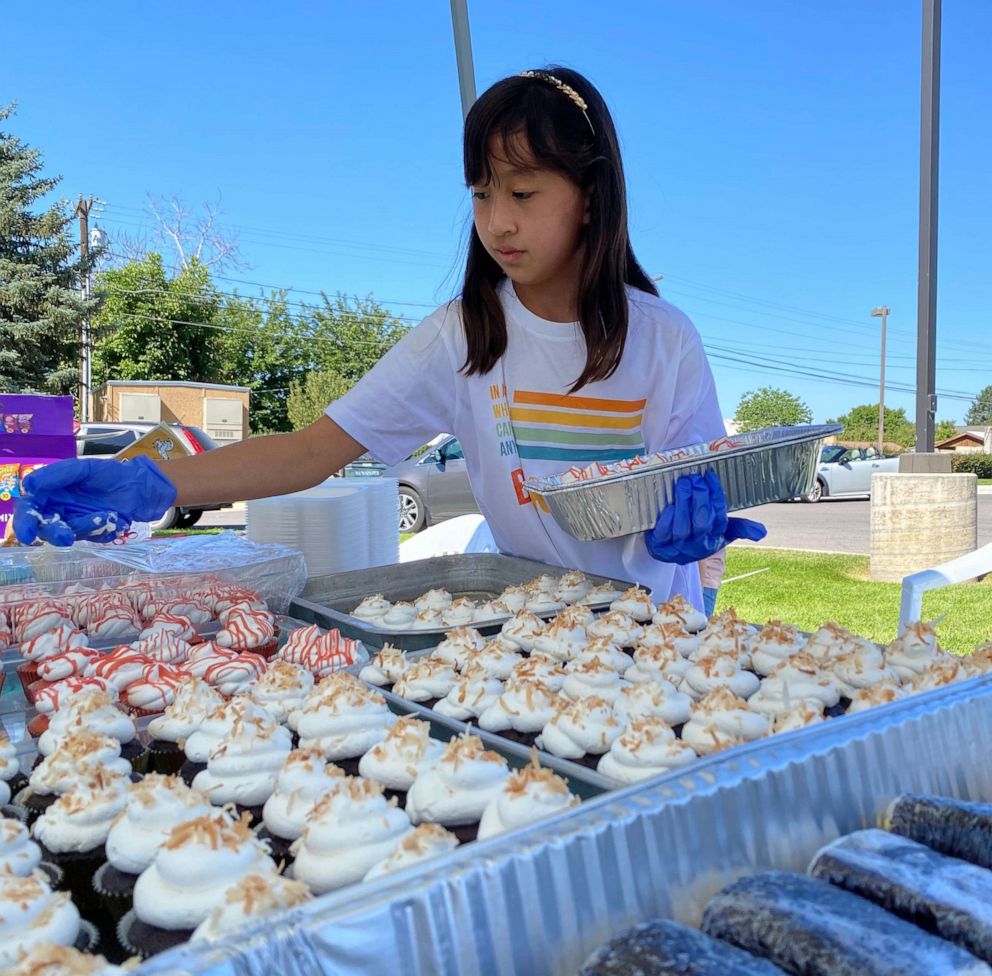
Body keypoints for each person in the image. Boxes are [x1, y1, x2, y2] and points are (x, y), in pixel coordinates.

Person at [14, 67, 764, 608]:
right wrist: (154, 480)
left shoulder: (665, 342)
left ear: (592, 197)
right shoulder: (465, 337)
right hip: (528, 627)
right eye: (481, 193)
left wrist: (696, 537)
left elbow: (706, 491)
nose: (498, 220)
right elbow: (311, 451)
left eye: (524, 192)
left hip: (653, 630)